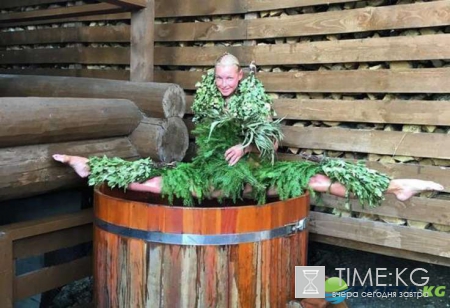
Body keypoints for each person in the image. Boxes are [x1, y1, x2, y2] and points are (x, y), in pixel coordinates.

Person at [53, 53, 443, 207]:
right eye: (219, 78)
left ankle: (395, 186)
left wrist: (245, 146)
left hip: (248, 170)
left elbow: (272, 137)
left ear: (241, 76)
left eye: (230, 78)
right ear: (215, 77)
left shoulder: (254, 102)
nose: (224, 84)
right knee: (161, 181)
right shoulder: (207, 99)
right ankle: (89, 166)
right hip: (210, 168)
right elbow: (205, 141)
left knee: (316, 179)